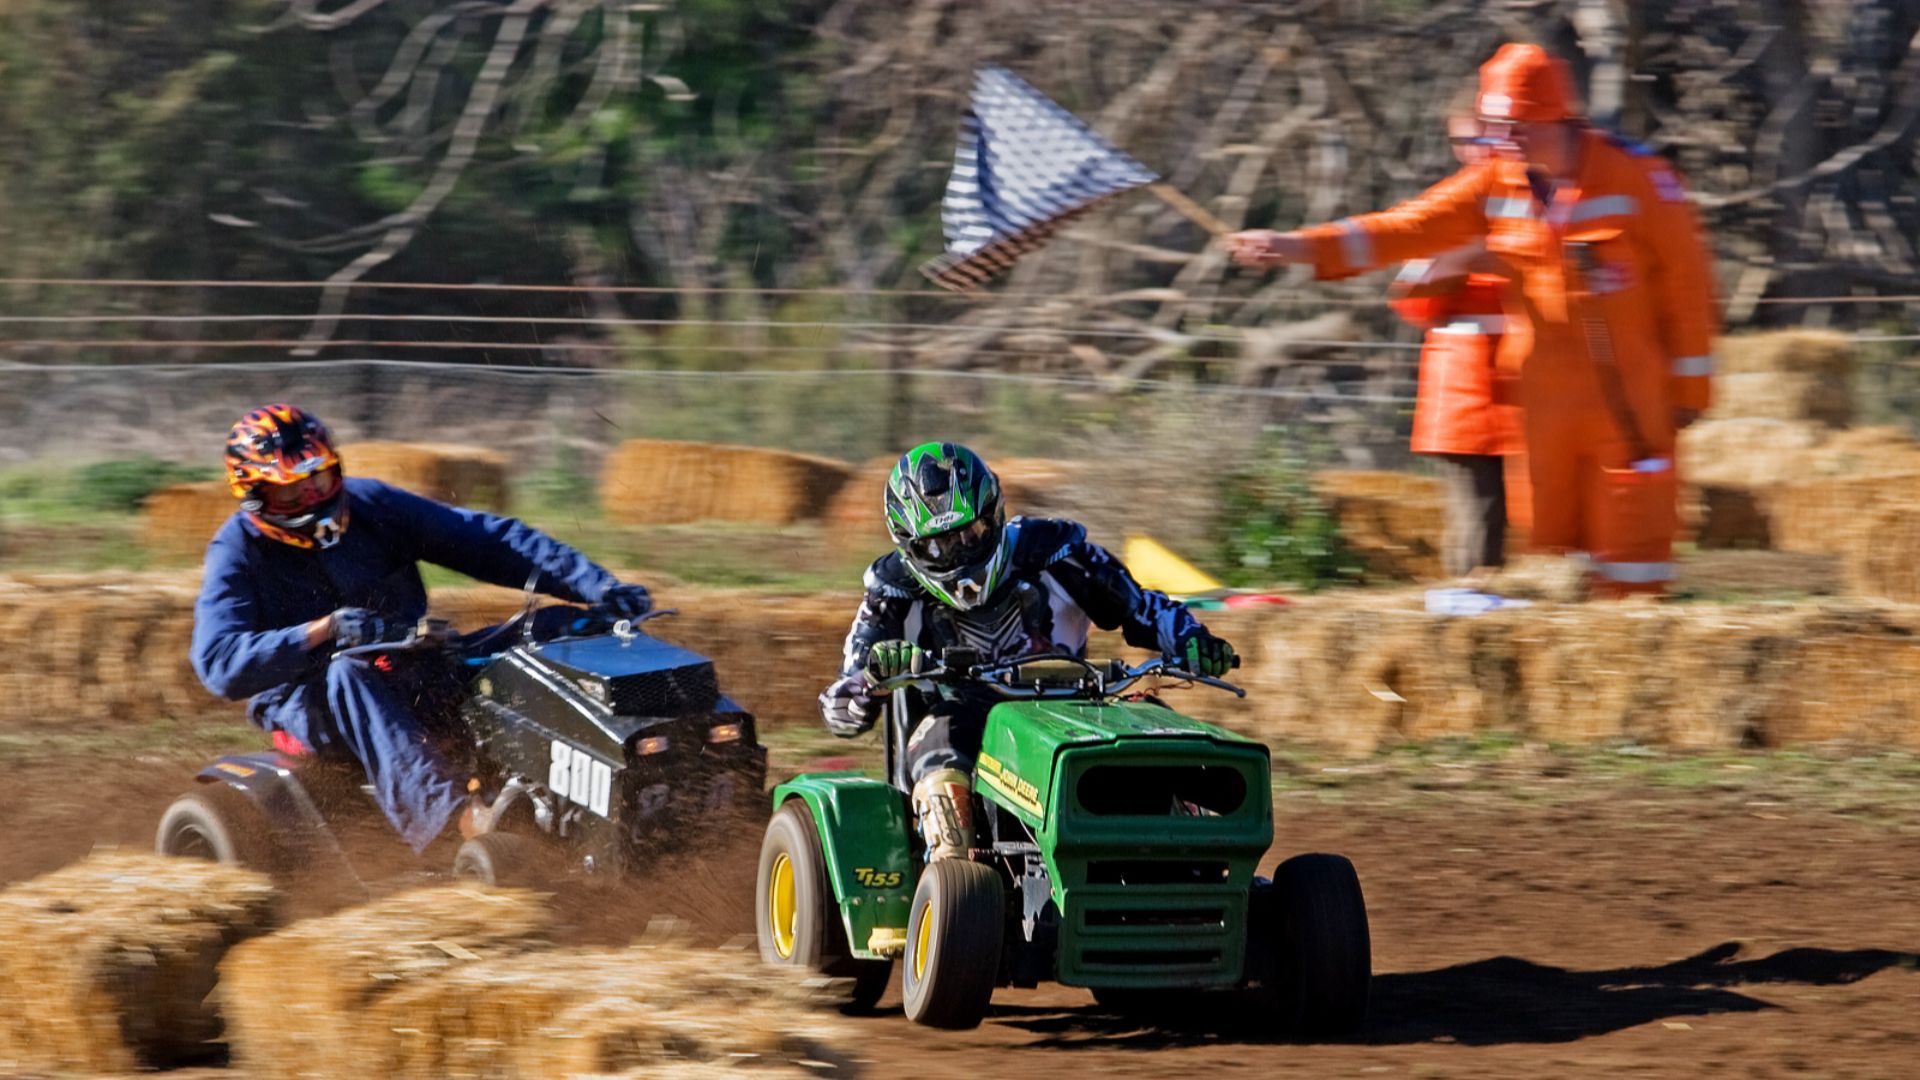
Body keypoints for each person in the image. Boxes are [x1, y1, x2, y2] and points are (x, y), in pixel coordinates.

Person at [1227, 43, 1717, 595]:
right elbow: (1406, 227)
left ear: (1553, 116)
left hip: (1628, 409)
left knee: (1631, 570)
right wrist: (1295, 245)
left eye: (1510, 125)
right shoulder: (1496, 182)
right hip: (1541, 414)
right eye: (1489, 124)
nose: (1497, 139)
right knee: (1554, 571)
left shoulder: (1639, 181)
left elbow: (1688, 293)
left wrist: (1689, 391)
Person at [189, 403, 654, 851]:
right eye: (291, 493)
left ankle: (652, 755)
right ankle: (458, 821)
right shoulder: (236, 551)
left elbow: (489, 541)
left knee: (557, 625)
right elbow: (217, 662)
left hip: (414, 660)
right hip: (310, 699)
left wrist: (598, 588)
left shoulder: (373, 505)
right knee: (348, 673)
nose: (311, 498)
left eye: (319, 479)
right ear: (254, 496)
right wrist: (323, 631)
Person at [817, 441, 1236, 861]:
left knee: (1154, 734)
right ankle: (952, 862)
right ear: (910, 547)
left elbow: (1141, 606)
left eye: (971, 533)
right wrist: (869, 681)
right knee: (940, 740)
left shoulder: (1058, 551)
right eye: (939, 545)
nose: (961, 551)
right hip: (962, 720)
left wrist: (1190, 638)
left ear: (994, 513)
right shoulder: (890, 592)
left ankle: (1197, 857)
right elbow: (841, 699)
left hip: (1073, 713)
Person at [1387, 106, 1526, 575]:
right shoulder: (1447, 208)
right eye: (1464, 141)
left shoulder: (1538, 199)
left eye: (1485, 137)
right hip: (1468, 395)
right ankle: (1470, 609)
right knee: (1481, 510)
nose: (1475, 151)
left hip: (1530, 390)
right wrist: (1469, 259)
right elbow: (1411, 300)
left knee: (1512, 515)